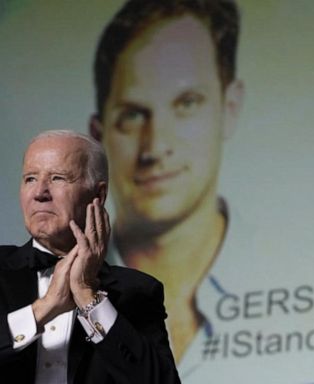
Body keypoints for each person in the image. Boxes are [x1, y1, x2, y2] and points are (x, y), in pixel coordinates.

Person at [89, 1, 314, 383]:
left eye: (186, 104)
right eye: (132, 114)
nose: (156, 146)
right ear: (99, 134)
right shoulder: (51, 300)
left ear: (230, 108)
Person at [0, 130, 181, 384]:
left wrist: (89, 297)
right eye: (30, 178)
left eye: (57, 178)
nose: (39, 192)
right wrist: (44, 308)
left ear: (99, 195)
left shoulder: (138, 291)